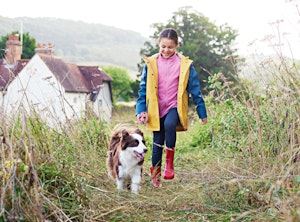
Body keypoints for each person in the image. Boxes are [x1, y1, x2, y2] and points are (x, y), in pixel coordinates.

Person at [136, 28, 207, 188]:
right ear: (158, 44)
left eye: (170, 47)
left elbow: (195, 89)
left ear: (176, 46)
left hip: (174, 106)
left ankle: (169, 164)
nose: (166, 50)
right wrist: (141, 110)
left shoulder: (184, 65)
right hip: (156, 108)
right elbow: (142, 89)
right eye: (163, 46)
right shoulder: (151, 63)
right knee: (157, 142)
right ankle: (155, 175)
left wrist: (201, 111)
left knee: (169, 125)